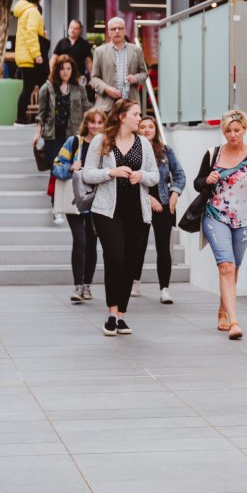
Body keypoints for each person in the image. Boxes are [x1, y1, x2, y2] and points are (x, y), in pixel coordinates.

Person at [83, 99, 159, 336]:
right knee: (114, 258)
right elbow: (87, 173)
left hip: (136, 210)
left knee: (130, 262)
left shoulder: (144, 144)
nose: (140, 119)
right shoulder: (101, 140)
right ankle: (111, 313)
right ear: (121, 116)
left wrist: (140, 176)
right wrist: (111, 172)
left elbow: (155, 175)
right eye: (136, 114)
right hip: (107, 210)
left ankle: (122, 316)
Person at [193, 109, 247, 340]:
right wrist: (208, 180)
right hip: (216, 216)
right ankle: (234, 321)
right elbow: (198, 183)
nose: (232, 134)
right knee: (225, 265)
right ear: (222, 131)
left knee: (233, 267)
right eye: (228, 130)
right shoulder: (213, 154)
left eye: (237, 130)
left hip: (244, 219)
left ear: (245, 129)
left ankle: (224, 309)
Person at [52, 108, 106, 303]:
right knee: (80, 241)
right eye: (92, 122)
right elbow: (56, 165)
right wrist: (69, 168)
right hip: (75, 199)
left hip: (97, 200)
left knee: (91, 244)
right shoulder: (74, 142)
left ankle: (87, 286)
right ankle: (77, 286)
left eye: (100, 122)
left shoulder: (107, 145)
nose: (96, 126)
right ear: (86, 123)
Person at [132, 115, 186, 303]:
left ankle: (164, 289)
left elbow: (179, 175)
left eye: (150, 127)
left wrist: (174, 194)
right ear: (137, 129)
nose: (147, 130)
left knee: (164, 248)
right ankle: (135, 282)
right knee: (138, 246)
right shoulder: (132, 151)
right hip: (140, 204)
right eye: (143, 126)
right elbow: (130, 181)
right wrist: (148, 199)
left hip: (163, 205)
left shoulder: (165, 151)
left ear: (155, 130)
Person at [33, 54, 91, 225]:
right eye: (62, 68)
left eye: (68, 68)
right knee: (57, 171)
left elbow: (87, 110)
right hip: (52, 136)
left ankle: (75, 203)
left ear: (72, 70)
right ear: (57, 70)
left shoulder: (79, 88)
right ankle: (56, 207)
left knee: (74, 171)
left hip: (73, 137)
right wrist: (37, 134)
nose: (65, 72)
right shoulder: (47, 88)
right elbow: (41, 114)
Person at [90, 17, 147, 113]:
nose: (117, 31)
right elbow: (94, 78)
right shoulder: (99, 51)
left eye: (120, 28)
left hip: (130, 103)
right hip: (106, 105)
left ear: (124, 30)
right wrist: (106, 89)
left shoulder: (136, 50)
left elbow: (144, 74)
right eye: (113, 29)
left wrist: (135, 78)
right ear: (109, 32)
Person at [14, 0, 47, 124]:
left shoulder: (23, 12)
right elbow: (31, 33)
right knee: (42, 87)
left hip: (24, 56)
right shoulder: (32, 12)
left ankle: (23, 118)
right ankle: (22, 118)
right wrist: (37, 54)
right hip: (31, 57)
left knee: (33, 87)